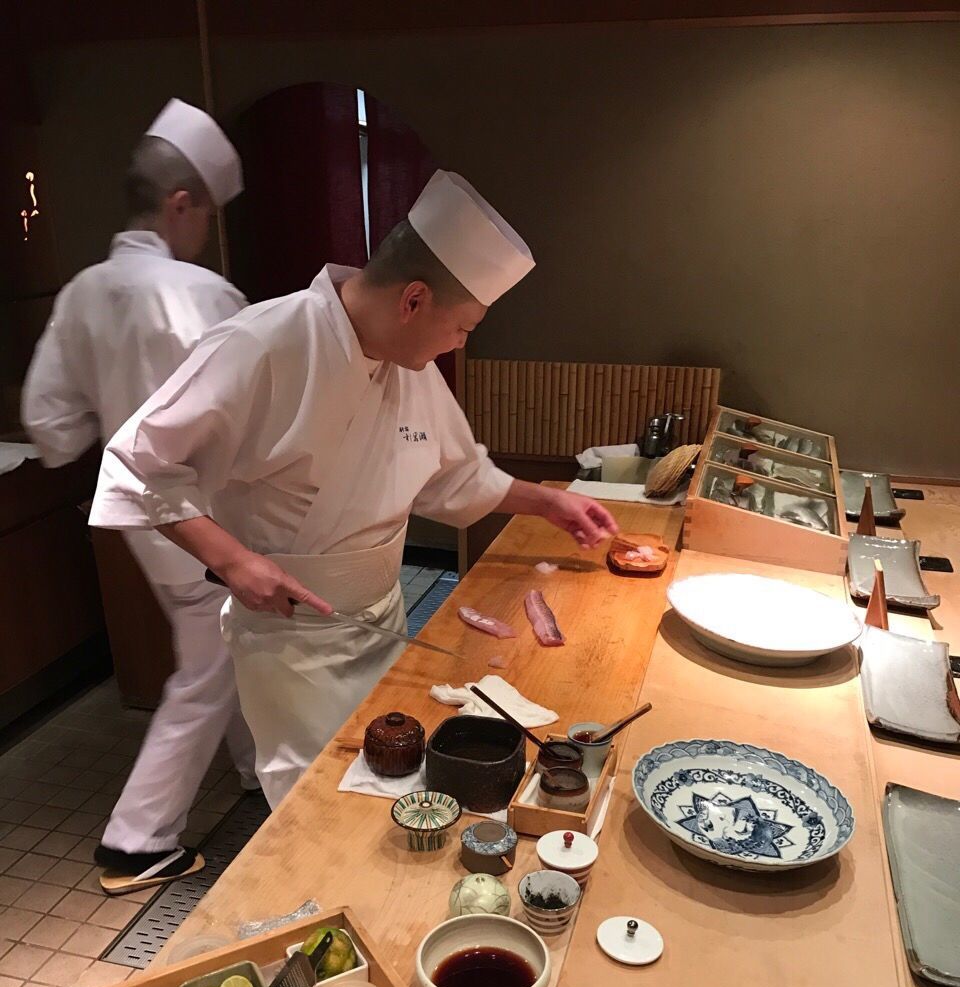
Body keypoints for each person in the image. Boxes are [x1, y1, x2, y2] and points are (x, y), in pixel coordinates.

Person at [91, 170, 618, 807]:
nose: (459, 344)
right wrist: (232, 561)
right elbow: (138, 462)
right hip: (293, 642)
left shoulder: (407, 363)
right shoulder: (261, 343)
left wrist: (548, 500)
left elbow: (450, 472)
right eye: (464, 327)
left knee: (389, 789)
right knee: (313, 801)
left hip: (383, 618)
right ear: (414, 299)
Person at [22, 98, 258, 892]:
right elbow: (259, 420)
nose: (205, 234)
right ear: (181, 205)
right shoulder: (205, 295)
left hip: (135, 520)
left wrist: (115, 408)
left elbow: (50, 426)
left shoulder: (80, 294)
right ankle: (135, 841)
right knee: (207, 669)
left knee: (221, 653)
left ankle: (257, 773)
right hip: (208, 522)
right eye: (205, 217)